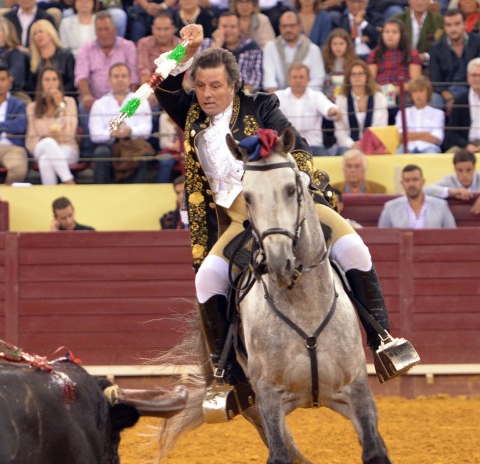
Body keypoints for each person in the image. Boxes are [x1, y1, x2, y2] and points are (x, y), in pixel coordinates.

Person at [156, 25, 414, 417]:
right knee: (207, 278)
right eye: (201, 85)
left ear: (233, 86)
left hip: (286, 205)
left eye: (215, 86)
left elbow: (299, 146)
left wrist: (299, 183)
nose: (206, 94)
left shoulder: (261, 106)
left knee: (354, 248)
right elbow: (162, 83)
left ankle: (383, 341)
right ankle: (227, 376)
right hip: (236, 219)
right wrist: (184, 51)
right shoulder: (191, 112)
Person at [88, 62, 153, 183]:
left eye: (123, 76)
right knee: (101, 152)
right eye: (116, 76)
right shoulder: (99, 104)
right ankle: (101, 189)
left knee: (143, 153)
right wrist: (111, 134)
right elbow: (95, 134)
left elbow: (146, 129)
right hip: (109, 144)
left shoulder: (141, 102)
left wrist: (130, 131)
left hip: (132, 143)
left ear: (130, 79)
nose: (120, 79)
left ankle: (136, 190)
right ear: (109, 80)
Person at [428, 9, 480, 114]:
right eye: (449, 25)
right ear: (444, 27)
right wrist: (447, 96)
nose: (453, 29)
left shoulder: (478, 41)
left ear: (465, 24)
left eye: (457, 24)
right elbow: (435, 79)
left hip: (472, 88)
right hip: (446, 91)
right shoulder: (436, 48)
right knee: (434, 100)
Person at [75, 11, 138, 112]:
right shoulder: (85, 49)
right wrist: (86, 95)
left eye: (106, 29)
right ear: (95, 31)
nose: (103, 33)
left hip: (124, 99)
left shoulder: (128, 47)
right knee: (83, 106)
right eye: (100, 30)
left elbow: (134, 77)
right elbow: (81, 76)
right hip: (95, 100)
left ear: (115, 30)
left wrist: (131, 99)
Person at [26, 66, 80, 185]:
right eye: (47, 80)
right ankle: (69, 182)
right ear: (41, 83)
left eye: (54, 79)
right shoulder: (32, 107)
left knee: (45, 161)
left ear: (59, 82)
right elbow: (31, 139)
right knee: (48, 143)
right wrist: (48, 137)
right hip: (41, 147)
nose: (51, 83)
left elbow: (70, 133)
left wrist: (61, 105)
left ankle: (50, 193)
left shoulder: (69, 102)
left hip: (67, 147)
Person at [275, 62, 342, 156]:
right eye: (294, 77)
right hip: (285, 147)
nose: (298, 80)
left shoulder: (316, 96)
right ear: (289, 79)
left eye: (301, 77)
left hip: (313, 146)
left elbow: (329, 108)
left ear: (308, 79)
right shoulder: (278, 96)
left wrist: (332, 111)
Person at [425, 148, 480, 215]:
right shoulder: (449, 180)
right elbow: (425, 190)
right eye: (460, 170)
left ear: (474, 168)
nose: (464, 174)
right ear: (455, 169)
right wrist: (452, 191)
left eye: (469, 170)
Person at [367, 17, 423, 121]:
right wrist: (383, 89)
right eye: (387, 32)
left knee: (408, 100)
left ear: (401, 35)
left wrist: (397, 89)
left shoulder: (412, 53)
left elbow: (415, 81)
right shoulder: (374, 54)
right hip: (380, 91)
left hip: (404, 91)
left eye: (394, 32)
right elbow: (370, 80)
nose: (390, 35)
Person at [262, 11, 326, 91]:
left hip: (306, 95)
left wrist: (299, 95)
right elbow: (269, 79)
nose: (288, 29)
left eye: (292, 25)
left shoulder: (313, 49)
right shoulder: (271, 47)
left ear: (300, 27)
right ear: (279, 28)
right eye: (284, 26)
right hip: (278, 95)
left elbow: (317, 79)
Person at [378, 164, 456, 228]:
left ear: (423, 182)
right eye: (407, 180)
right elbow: (382, 237)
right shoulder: (390, 207)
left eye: (415, 179)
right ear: (402, 183)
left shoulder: (441, 206)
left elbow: (452, 235)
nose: (411, 184)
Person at [209, 12, 263, 94]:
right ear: (218, 28)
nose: (228, 30)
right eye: (224, 26)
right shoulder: (206, 44)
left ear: (239, 29)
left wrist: (239, 95)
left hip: (243, 95)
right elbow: (202, 73)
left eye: (233, 26)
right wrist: (217, 46)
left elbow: (256, 79)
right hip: (212, 93)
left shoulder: (252, 48)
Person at [26, 19, 76, 96]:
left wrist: (58, 94)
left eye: (41, 31)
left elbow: (72, 82)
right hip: (40, 99)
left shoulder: (66, 55)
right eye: (35, 34)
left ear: (50, 33)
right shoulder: (31, 59)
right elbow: (31, 86)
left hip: (65, 96)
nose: (38, 35)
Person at [395, 76, 444, 153]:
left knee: (431, 154)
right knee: (399, 153)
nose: (418, 95)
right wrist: (425, 134)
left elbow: (436, 138)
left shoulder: (438, 113)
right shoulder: (402, 113)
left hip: (429, 147)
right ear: (411, 95)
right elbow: (400, 137)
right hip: (407, 147)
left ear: (428, 93)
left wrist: (410, 136)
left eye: (421, 91)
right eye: (415, 92)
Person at [137, 13, 180, 89]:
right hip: (150, 89)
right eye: (158, 29)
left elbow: (186, 78)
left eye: (166, 29)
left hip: (177, 89)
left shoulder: (181, 46)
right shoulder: (144, 43)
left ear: (173, 29)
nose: (162, 33)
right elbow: (144, 72)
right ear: (152, 29)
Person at [321, 28, 356, 100]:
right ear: (330, 45)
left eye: (341, 44)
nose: (338, 47)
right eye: (335, 44)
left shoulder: (354, 62)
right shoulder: (324, 61)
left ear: (347, 45)